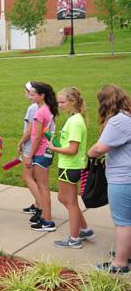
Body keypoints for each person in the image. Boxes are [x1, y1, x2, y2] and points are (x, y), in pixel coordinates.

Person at [88, 84, 131, 273]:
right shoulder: (128, 116)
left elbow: (99, 148)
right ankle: (126, 252)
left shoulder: (118, 121)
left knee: (122, 221)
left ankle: (120, 264)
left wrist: (90, 153)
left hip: (123, 177)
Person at [48, 87, 95, 249]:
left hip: (70, 166)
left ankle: (74, 238)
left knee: (71, 202)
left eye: (62, 102)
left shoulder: (75, 122)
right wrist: (57, 143)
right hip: (70, 165)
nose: (59, 105)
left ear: (73, 102)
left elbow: (72, 149)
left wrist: (54, 149)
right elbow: (69, 145)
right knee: (65, 199)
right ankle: (85, 230)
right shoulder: (75, 118)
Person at [23, 81, 58, 232]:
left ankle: (47, 220)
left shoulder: (39, 112)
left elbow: (36, 137)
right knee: (44, 187)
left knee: (43, 188)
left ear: (42, 95)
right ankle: (45, 217)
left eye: (33, 94)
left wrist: (30, 155)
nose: (30, 97)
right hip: (48, 152)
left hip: (40, 153)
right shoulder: (49, 109)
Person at [18, 82, 41, 215]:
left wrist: (21, 142)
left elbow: (29, 130)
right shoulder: (44, 106)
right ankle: (38, 203)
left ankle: (41, 206)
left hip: (30, 147)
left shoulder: (33, 108)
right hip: (40, 148)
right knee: (36, 178)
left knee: (27, 177)